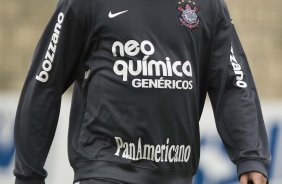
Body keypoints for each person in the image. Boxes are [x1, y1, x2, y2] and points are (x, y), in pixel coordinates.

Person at [13, 0, 271, 183]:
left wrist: (250, 156)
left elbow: (234, 83)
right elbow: (45, 80)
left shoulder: (208, 5)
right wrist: (28, 174)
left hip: (176, 173)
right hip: (106, 170)